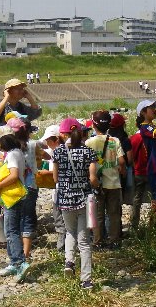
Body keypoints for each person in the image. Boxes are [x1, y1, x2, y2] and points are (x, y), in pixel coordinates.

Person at [53, 118, 99, 290]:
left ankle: (69, 262)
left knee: (69, 232)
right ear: (80, 133)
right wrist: (97, 186)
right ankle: (86, 280)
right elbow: (93, 178)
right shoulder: (88, 152)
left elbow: (55, 178)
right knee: (85, 241)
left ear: (64, 135)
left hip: (65, 200)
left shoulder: (58, 152)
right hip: (83, 199)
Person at [0, 126, 31, 282]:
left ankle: (20, 263)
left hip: (12, 196)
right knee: (11, 229)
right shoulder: (17, 152)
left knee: (11, 231)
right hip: (15, 196)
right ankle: (14, 262)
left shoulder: (13, 154)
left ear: (4, 141)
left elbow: (13, 175)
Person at [85, 110, 126, 250]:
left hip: (96, 183)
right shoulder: (115, 141)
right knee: (114, 214)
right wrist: (122, 171)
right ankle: (114, 241)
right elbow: (121, 161)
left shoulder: (89, 142)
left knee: (97, 215)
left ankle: (97, 242)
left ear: (93, 126)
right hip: (114, 182)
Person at [129, 100, 156, 229]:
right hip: (155, 167)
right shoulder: (146, 127)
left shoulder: (150, 126)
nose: (154, 109)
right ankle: (154, 227)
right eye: (151, 108)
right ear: (143, 112)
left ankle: (155, 225)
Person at [7, 116, 39, 261]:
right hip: (31, 185)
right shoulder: (32, 144)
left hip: (16, 187)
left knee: (14, 221)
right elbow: (43, 155)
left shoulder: (11, 150)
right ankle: (26, 252)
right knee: (27, 218)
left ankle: (17, 252)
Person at [39, 124, 66, 252]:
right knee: (60, 217)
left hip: (61, 190)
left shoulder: (60, 152)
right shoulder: (54, 151)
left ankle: (62, 246)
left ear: (56, 139)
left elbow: (60, 173)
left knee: (60, 218)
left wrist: (46, 174)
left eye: (48, 140)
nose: (47, 143)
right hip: (58, 190)